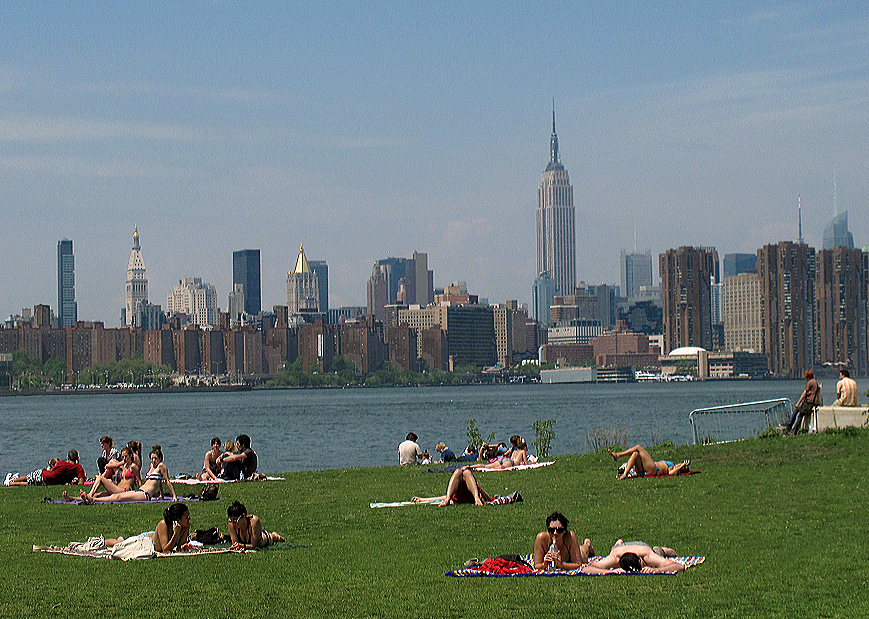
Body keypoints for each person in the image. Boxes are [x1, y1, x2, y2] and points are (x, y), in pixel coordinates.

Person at [64, 445, 177, 503]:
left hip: (145, 494)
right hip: (139, 491)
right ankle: (73, 498)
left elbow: (166, 481)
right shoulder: (153, 468)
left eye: (155, 458)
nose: (153, 461)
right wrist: (161, 494)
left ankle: (92, 500)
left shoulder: (161, 466)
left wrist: (174, 496)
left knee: (117, 497)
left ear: (160, 458)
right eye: (151, 458)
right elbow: (159, 482)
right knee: (108, 495)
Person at [106, 503, 193, 552]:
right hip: (144, 541)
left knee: (122, 544)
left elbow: (179, 545)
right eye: (187, 516)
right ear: (178, 519)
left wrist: (185, 530)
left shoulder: (184, 526)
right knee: (120, 544)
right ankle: (103, 542)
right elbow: (166, 550)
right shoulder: (164, 525)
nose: (189, 518)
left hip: (152, 540)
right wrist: (176, 533)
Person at [581, 540, 684, 574]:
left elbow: (679, 566)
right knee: (613, 551)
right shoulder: (615, 558)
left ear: (641, 560)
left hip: (642, 546)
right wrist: (610, 572)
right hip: (620, 549)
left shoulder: (647, 556)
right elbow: (586, 568)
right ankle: (617, 544)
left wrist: (656, 569)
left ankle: (662, 549)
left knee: (657, 553)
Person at [411, 465, 491, 506]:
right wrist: (422, 499)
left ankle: (476, 499)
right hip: (468, 497)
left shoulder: (475, 489)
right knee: (458, 471)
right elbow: (443, 497)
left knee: (466, 472)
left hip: (471, 497)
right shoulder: (473, 488)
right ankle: (448, 500)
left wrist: (478, 490)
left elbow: (489, 499)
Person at [5, 450, 86, 486]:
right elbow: (81, 483)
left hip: (45, 475)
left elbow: (52, 471)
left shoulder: (61, 463)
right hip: (49, 482)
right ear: (78, 458)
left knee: (28, 477)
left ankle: (13, 480)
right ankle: (11, 483)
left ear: (68, 458)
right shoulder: (79, 468)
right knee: (29, 484)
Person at [608, 445, 690, 479]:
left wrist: (682, 466)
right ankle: (624, 474)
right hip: (647, 468)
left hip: (654, 470)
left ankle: (618, 455)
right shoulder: (672, 463)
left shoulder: (674, 470)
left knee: (638, 447)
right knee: (635, 454)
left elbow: (670, 474)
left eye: (684, 467)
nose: (681, 464)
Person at [785, 370, 821, 435]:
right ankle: (790, 425)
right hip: (813, 403)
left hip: (809, 404)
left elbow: (804, 394)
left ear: (807, 377)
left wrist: (798, 403)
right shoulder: (815, 382)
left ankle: (792, 430)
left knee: (799, 414)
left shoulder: (809, 383)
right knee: (797, 411)